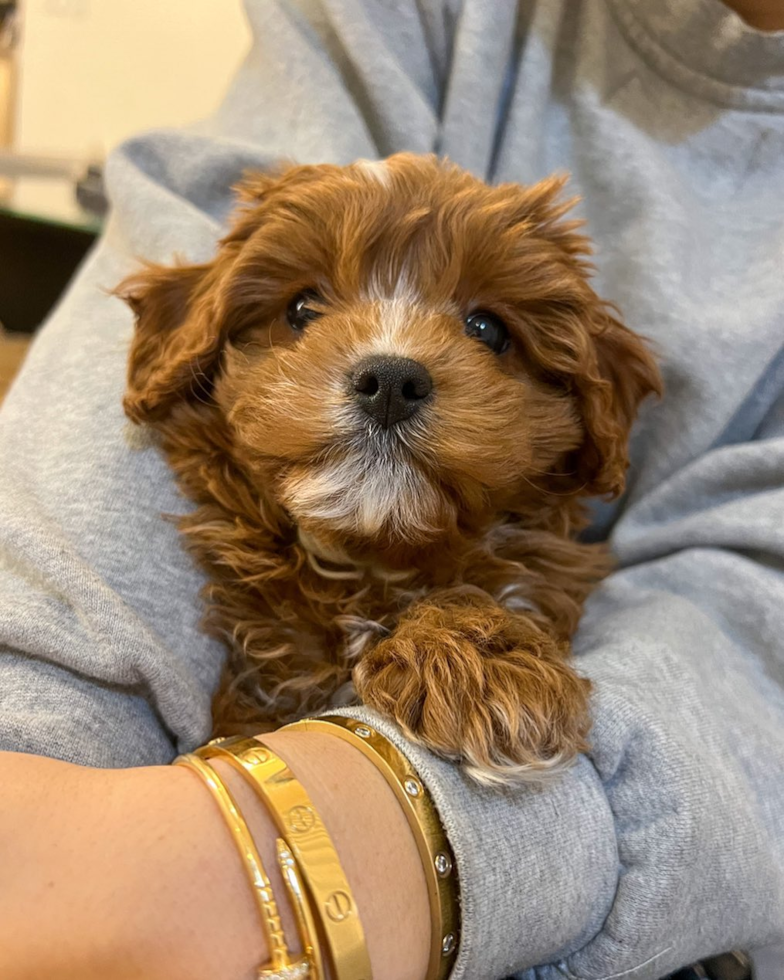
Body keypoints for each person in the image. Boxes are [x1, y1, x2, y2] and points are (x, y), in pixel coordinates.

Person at [1, 1, 783, 977]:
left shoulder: (533, 592)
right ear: (190, 346)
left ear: (591, 408)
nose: (391, 366)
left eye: (488, 331)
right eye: (304, 307)